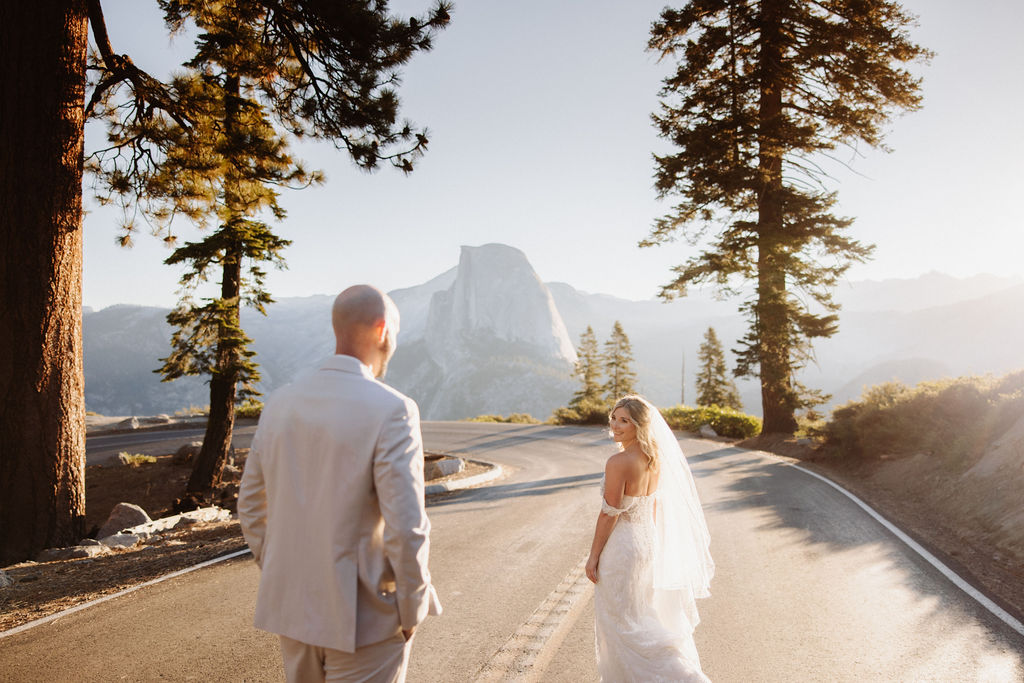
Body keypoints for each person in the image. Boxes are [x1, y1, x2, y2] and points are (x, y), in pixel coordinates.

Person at [238, 284, 441, 683]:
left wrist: (284, 567)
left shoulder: (279, 403)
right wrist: (411, 606)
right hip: (364, 615)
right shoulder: (393, 409)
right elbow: (405, 524)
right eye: (395, 334)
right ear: (382, 330)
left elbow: (250, 506)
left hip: (293, 609)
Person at [585, 394, 715, 682]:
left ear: (639, 425)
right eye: (614, 418)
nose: (615, 426)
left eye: (624, 421)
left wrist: (593, 556)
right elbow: (654, 504)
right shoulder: (654, 457)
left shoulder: (619, 462)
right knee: (641, 616)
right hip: (646, 543)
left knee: (623, 623)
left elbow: (610, 513)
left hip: (623, 547)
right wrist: (651, 542)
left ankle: (679, 676)